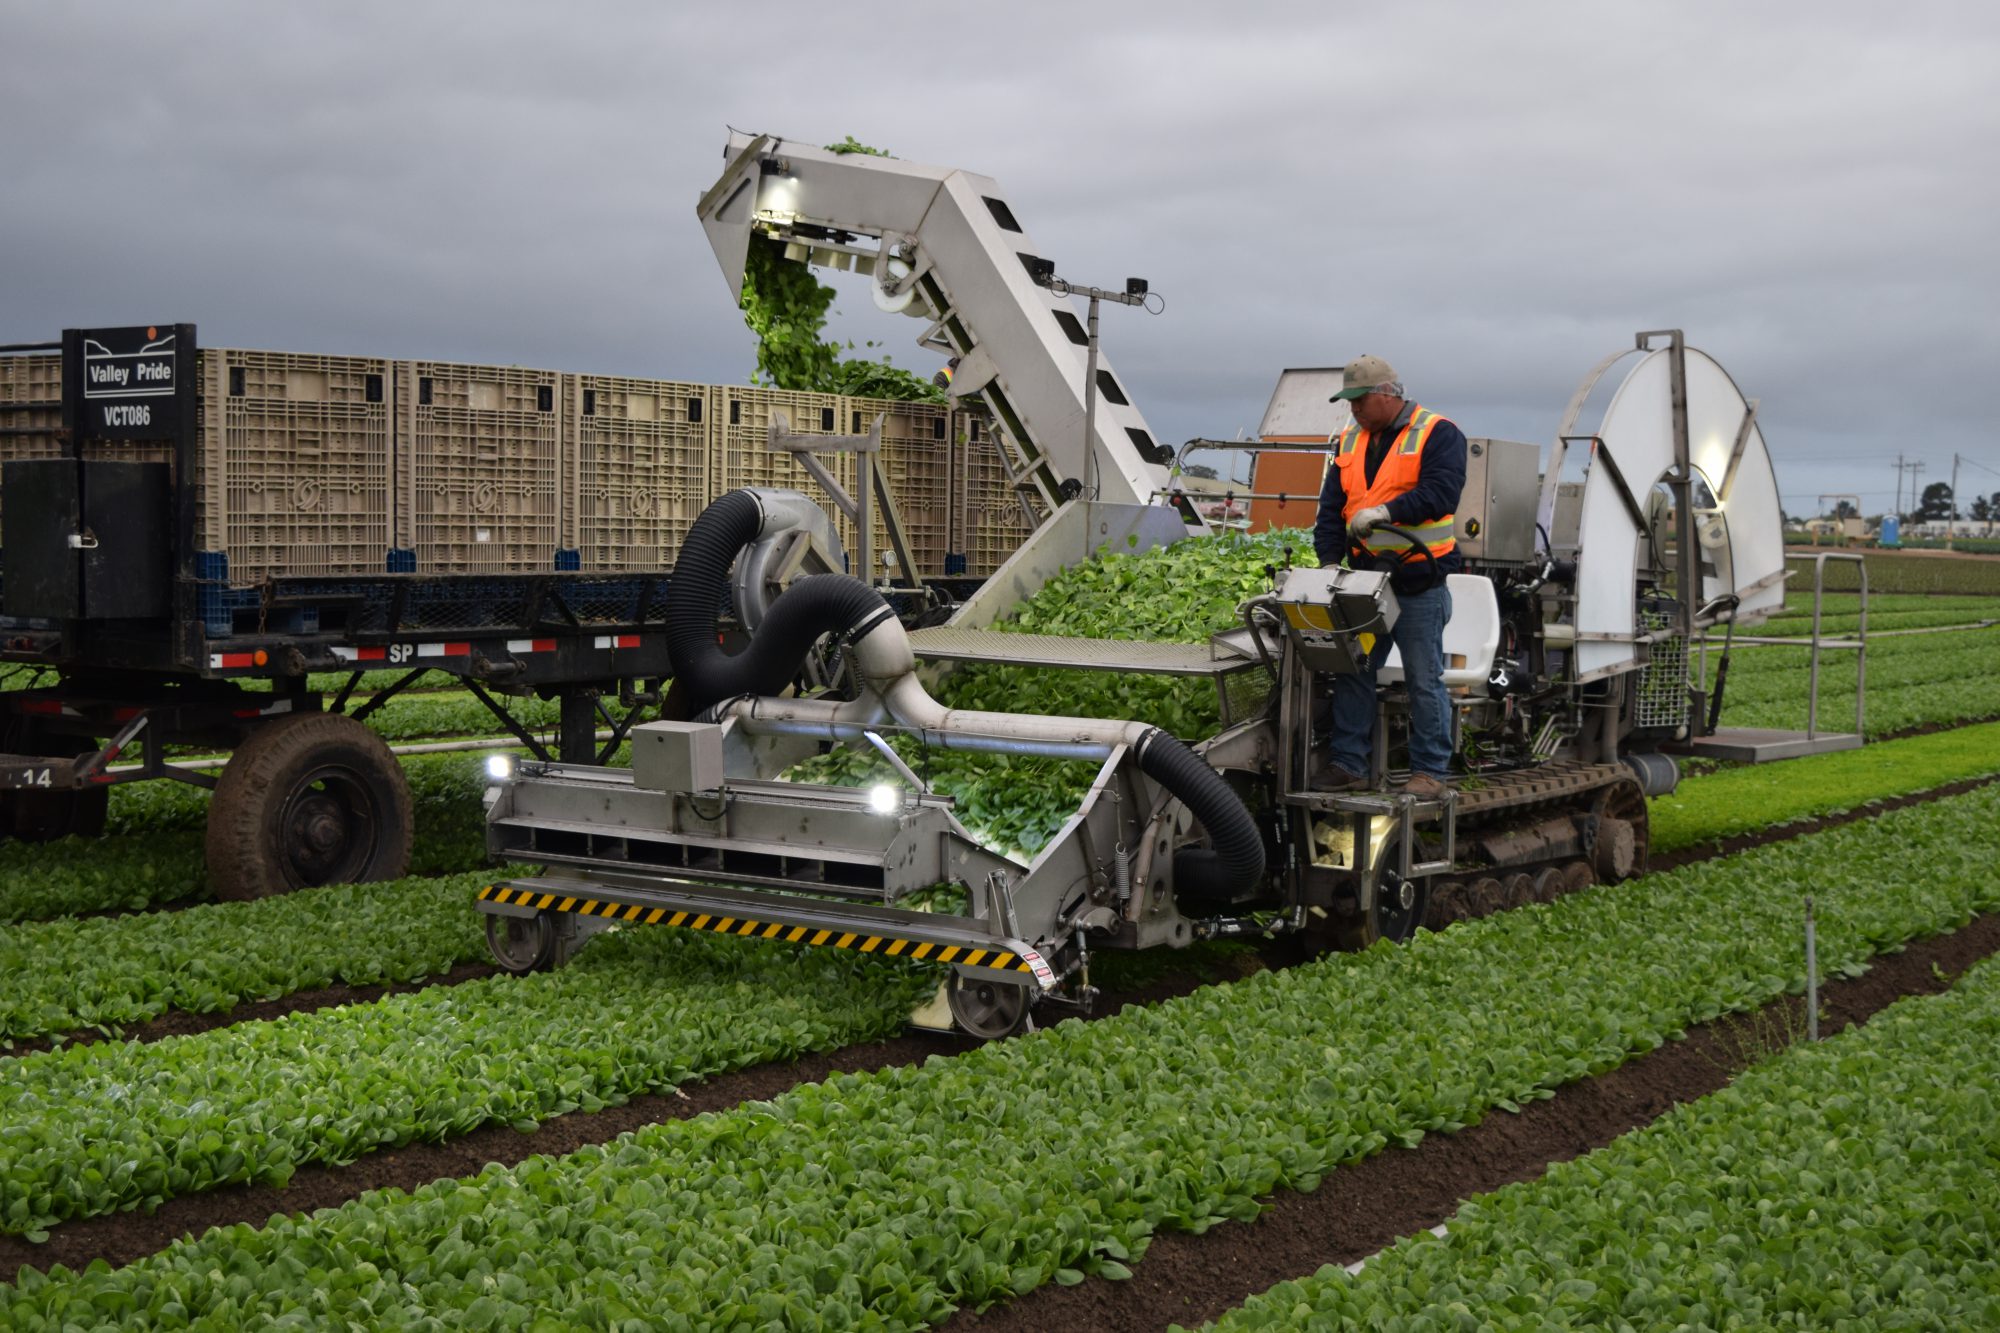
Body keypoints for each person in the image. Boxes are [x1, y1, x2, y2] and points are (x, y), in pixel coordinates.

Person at [1312, 354, 1467, 799]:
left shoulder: (1437, 433)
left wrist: (1385, 513)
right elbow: (1330, 509)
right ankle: (1348, 764)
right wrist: (1328, 562)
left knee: (1423, 678)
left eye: (1360, 401)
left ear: (1386, 395)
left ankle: (1430, 772)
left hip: (1419, 582)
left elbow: (1441, 493)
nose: (1354, 410)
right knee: (1354, 668)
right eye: (1350, 402)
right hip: (1365, 583)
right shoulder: (1348, 440)